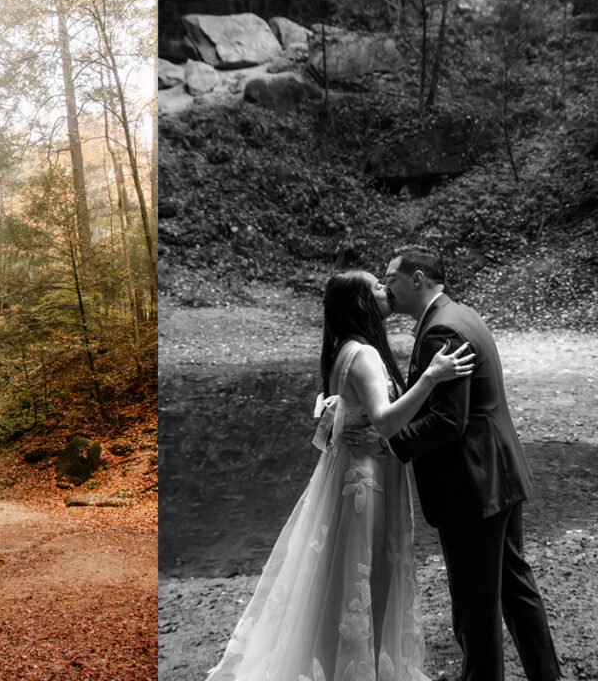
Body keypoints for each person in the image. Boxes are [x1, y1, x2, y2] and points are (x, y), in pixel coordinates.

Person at [206, 270, 475, 681]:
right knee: (361, 575)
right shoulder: (364, 354)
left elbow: (349, 414)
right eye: (376, 288)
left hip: (354, 473)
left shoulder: (344, 349)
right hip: (367, 479)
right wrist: (432, 376)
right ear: (362, 304)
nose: (385, 291)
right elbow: (384, 421)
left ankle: (340, 666)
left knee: (343, 577)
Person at [345, 246, 561, 681]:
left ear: (418, 279)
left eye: (392, 278)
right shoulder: (461, 314)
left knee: (474, 602)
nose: (386, 286)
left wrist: (390, 444)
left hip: (473, 483)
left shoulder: (439, 332)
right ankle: (547, 675)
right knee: (514, 587)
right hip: (498, 472)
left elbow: (449, 420)